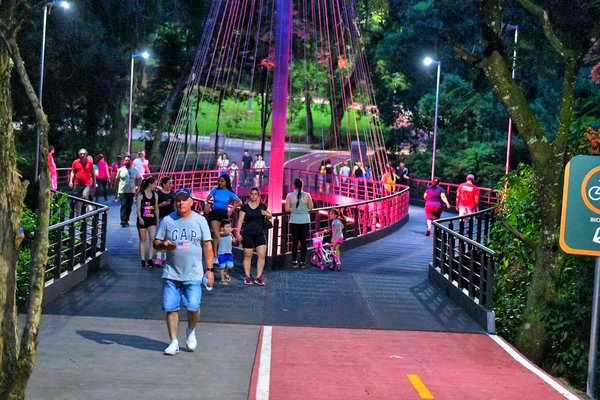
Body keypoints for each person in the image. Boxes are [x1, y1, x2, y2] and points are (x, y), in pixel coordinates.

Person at [153, 188, 214, 355]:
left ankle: (190, 329)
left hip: (194, 273)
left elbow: (207, 246)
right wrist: (164, 244)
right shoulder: (167, 220)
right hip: (171, 272)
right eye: (178, 200)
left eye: (184, 199)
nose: (181, 203)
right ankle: (173, 341)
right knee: (171, 308)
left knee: (193, 307)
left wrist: (209, 270)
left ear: (191, 202)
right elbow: (156, 242)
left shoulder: (200, 221)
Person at [236, 187, 271, 286]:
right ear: (249, 195)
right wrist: (238, 232)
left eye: (255, 194)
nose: (253, 195)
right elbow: (240, 220)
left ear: (258, 196)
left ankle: (259, 277)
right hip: (248, 233)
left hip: (260, 233)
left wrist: (266, 214)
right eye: (252, 193)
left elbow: (270, 215)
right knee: (248, 255)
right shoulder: (245, 207)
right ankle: (247, 276)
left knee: (262, 255)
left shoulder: (263, 206)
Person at [204, 174, 242, 266]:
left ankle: (222, 254)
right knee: (216, 235)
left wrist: (232, 208)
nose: (220, 183)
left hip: (224, 214)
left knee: (223, 235)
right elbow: (207, 199)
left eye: (222, 181)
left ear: (226, 182)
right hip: (215, 213)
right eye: (219, 181)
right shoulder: (215, 190)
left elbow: (239, 202)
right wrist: (207, 205)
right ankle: (215, 256)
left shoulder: (229, 192)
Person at [285, 178, 313, 268]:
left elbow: (287, 209)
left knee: (295, 241)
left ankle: (294, 261)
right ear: (302, 185)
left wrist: (295, 210)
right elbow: (311, 208)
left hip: (294, 221)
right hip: (305, 220)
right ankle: (303, 262)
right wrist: (303, 209)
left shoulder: (289, 195)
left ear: (294, 185)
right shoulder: (307, 195)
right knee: (303, 241)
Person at [136, 177, 159, 268]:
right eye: (154, 184)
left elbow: (156, 208)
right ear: (150, 184)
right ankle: (142, 259)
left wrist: (157, 219)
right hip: (143, 219)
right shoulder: (141, 194)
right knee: (143, 239)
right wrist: (140, 217)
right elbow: (138, 208)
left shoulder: (155, 195)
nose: (155, 186)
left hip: (152, 220)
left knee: (152, 239)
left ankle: (150, 258)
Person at [114, 155, 142, 227]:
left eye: (128, 160)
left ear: (131, 161)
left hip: (131, 191)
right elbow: (117, 180)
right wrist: (116, 190)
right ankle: (123, 220)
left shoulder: (134, 170)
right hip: (122, 190)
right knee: (124, 204)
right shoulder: (120, 170)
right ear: (124, 161)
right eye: (126, 160)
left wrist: (139, 187)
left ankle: (126, 219)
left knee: (129, 206)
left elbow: (139, 178)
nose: (127, 161)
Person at [154, 176, 176, 267]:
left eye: (171, 183)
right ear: (163, 184)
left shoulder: (173, 194)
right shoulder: (158, 194)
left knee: (169, 237)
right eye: (169, 183)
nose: (171, 185)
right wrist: (162, 204)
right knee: (160, 237)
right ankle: (159, 257)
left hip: (171, 218)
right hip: (162, 218)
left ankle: (166, 257)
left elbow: (175, 206)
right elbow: (154, 207)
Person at [217, 219, 236, 285]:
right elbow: (224, 234)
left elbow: (234, 241)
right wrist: (230, 231)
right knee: (222, 266)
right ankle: (222, 280)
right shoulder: (221, 233)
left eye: (230, 227)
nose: (229, 228)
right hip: (221, 253)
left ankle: (226, 273)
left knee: (230, 266)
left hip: (229, 253)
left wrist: (236, 238)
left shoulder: (231, 234)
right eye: (227, 227)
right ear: (222, 228)